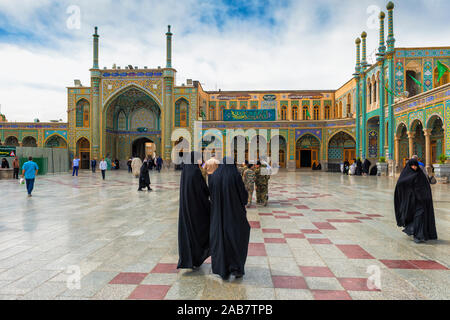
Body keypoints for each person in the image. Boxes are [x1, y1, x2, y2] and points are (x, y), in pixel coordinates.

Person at [209, 156, 250, 280]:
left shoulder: (214, 176)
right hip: (234, 216)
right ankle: (236, 268)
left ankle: (222, 269)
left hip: (218, 216)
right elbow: (243, 197)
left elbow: (211, 195)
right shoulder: (235, 176)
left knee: (220, 239)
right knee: (236, 239)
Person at [177, 151, 211, 270]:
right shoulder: (195, 172)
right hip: (196, 209)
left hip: (187, 208)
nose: (200, 161)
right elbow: (204, 190)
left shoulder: (185, 171)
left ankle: (190, 259)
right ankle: (197, 257)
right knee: (199, 232)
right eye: (199, 158)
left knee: (189, 234)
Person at [394, 159, 437, 243]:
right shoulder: (405, 175)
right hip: (411, 202)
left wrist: (425, 196)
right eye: (412, 165)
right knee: (415, 217)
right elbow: (400, 186)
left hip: (421, 200)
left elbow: (426, 186)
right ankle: (413, 231)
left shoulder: (420, 174)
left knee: (420, 216)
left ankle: (419, 235)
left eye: (416, 165)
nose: (414, 167)